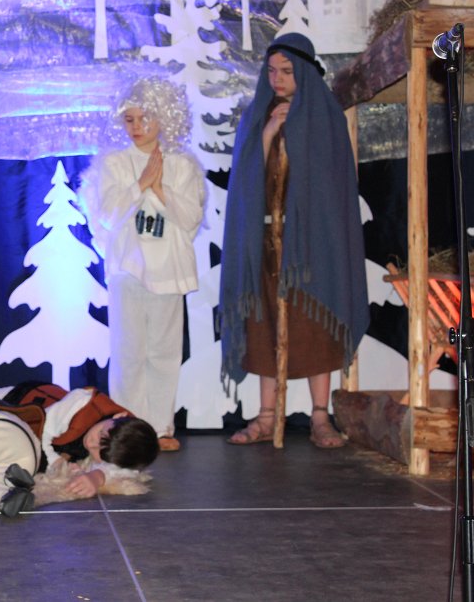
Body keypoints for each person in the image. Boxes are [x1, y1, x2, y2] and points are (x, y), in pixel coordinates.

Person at [219, 33, 369, 448]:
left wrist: (298, 134)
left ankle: (320, 416)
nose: (278, 79)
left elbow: (330, 184)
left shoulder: (326, 116)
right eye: (271, 71)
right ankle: (267, 416)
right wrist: (268, 133)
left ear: (304, 71)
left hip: (313, 243)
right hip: (266, 242)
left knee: (316, 323)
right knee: (264, 324)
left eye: (286, 71)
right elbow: (245, 179)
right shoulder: (256, 116)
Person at [79, 76, 205, 452]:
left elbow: (190, 218)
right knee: (129, 353)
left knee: (164, 353)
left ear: (164, 117)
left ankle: (161, 427)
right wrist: (140, 185)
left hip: (168, 270)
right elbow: (105, 215)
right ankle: (127, 428)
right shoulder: (113, 164)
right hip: (128, 270)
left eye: (144, 118)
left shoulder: (182, 165)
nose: (136, 127)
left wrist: (160, 187)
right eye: (129, 119)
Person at [0, 382, 158, 499]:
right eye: (99, 435)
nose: (91, 444)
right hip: (1, 403)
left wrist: (98, 477)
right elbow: (39, 432)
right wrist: (57, 462)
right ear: (119, 416)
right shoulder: (79, 406)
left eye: (99, 452)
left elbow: (130, 471)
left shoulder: (124, 438)